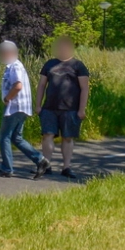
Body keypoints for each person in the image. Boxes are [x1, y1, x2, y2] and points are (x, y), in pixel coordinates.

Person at [35, 35, 90, 179]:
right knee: (47, 135)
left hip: (71, 109)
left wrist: (81, 109)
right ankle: (46, 165)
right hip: (49, 108)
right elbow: (41, 85)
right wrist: (38, 105)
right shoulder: (49, 64)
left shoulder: (78, 66)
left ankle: (66, 167)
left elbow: (84, 88)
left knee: (67, 138)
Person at [0, 40, 49, 179]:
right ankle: (41, 160)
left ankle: (7, 168)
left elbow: (17, 85)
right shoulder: (16, 65)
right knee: (16, 138)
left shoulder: (14, 66)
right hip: (21, 107)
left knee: (4, 137)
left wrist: (7, 98)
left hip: (15, 107)